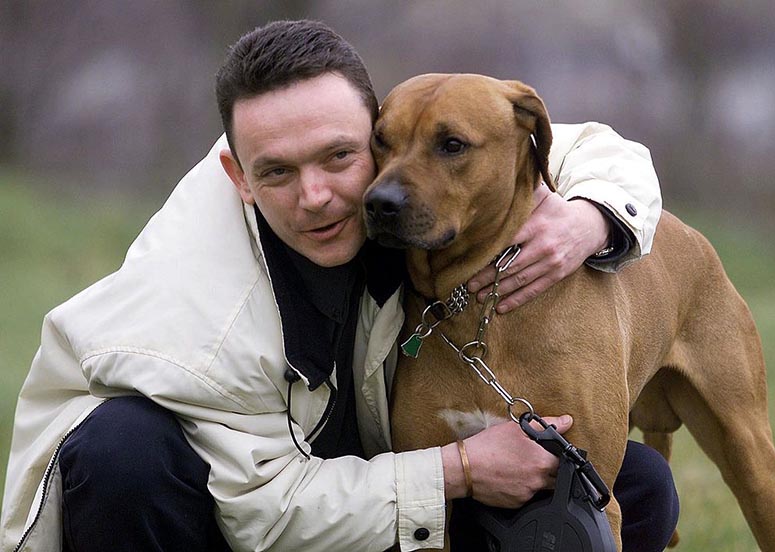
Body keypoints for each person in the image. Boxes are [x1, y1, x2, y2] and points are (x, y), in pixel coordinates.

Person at [1, 19, 678, 552]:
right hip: (217, 514)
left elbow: (587, 145)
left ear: (377, 132)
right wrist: (461, 471)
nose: (318, 197)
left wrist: (592, 219)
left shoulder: (393, 183)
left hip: (339, 479)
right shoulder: (206, 319)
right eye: (278, 174)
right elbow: (263, 514)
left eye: (340, 156)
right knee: (124, 450)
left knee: (631, 484)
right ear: (238, 176)